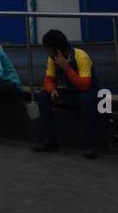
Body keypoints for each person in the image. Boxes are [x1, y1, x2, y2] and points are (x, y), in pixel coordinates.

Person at [32, 29, 98, 159]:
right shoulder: (53, 59)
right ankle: (50, 139)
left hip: (91, 93)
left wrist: (66, 68)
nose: (47, 53)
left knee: (86, 99)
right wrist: (52, 90)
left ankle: (91, 145)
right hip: (73, 92)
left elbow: (85, 86)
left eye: (48, 49)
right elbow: (48, 80)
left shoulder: (81, 56)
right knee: (43, 95)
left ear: (57, 49)